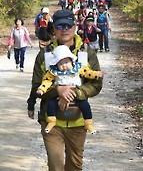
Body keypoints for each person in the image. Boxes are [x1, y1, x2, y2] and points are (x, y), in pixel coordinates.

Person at [27, 9, 103, 171]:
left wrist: (76, 93)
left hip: (78, 120)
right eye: (60, 26)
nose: (65, 29)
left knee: (75, 166)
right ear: (54, 29)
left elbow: (96, 84)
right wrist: (58, 90)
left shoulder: (86, 52)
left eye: (68, 25)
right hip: (52, 121)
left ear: (75, 27)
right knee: (56, 166)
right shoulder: (45, 55)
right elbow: (36, 87)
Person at [36, 45, 102, 134]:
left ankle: (88, 123)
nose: (64, 66)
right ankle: (51, 121)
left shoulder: (78, 68)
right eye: (60, 63)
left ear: (71, 61)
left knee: (85, 105)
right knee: (51, 105)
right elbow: (46, 81)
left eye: (66, 62)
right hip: (57, 96)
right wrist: (42, 89)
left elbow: (88, 73)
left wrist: (97, 74)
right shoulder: (53, 72)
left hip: (76, 94)